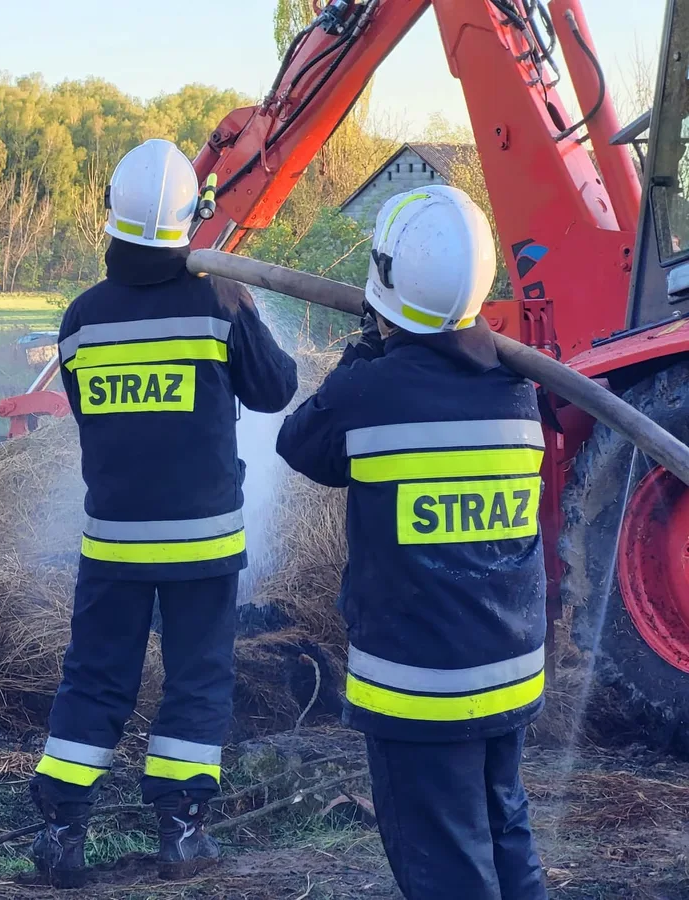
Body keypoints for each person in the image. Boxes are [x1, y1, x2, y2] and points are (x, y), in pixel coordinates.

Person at [29, 138, 298, 888]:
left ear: (108, 217)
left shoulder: (80, 321)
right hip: (203, 545)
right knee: (197, 680)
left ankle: (59, 836)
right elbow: (276, 391)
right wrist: (242, 308)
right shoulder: (218, 301)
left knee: (93, 680)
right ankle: (180, 836)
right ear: (193, 220)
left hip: (114, 540)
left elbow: (92, 417)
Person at [276, 185, 549, 900]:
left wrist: (363, 351)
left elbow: (301, 444)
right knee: (503, 830)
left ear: (386, 279)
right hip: (508, 668)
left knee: (445, 868)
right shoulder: (521, 392)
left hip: (422, 689)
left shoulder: (373, 393)